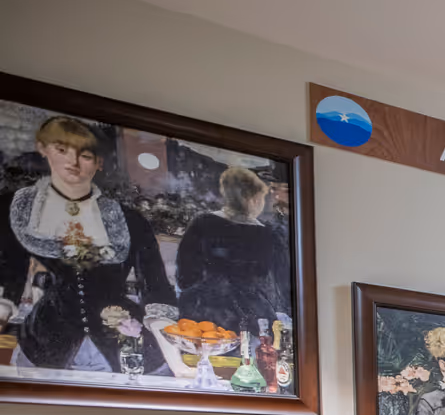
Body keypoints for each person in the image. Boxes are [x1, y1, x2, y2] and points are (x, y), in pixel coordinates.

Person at [0, 116, 178, 373]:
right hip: (45, 343)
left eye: (84, 155)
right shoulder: (22, 209)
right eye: (62, 150)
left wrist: (178, 363)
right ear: (44, 149)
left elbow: (156, 291)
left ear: (99, 162)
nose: (72, 163)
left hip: (123, 349)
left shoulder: (130, 220)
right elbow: (8, 280)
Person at [175, 166, 292, 342]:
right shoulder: (269, 234)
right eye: (262, 197)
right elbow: (280, 283)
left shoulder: (202, 223)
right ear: (252, 198)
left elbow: (185, 276)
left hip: (203, 314)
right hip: (253, 314)